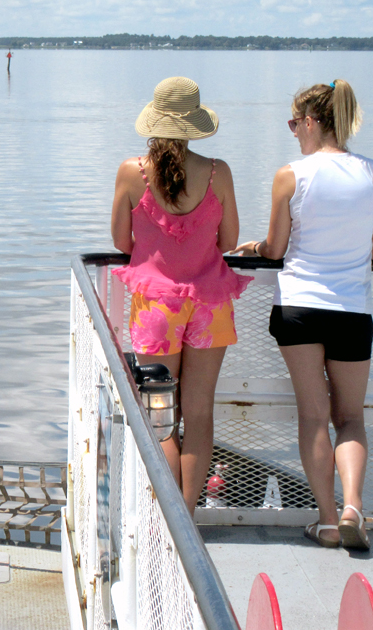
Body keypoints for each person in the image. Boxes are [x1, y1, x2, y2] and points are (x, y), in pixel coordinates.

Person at [236, 79, 373, 550]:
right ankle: (353, 508)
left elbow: (276, 248)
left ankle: (326, 521)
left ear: (309, 121)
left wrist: (255, 248)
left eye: (293, 123)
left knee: (313, 415)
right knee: (351, 418)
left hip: (300, 308)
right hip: (352, 310)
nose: (292, 132)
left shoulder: (291, 175)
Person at [111, 76, 250, 514]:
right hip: (210, 303)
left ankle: (166, 517)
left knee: (160, 417)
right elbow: (230, 240)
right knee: (199, 412)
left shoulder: (132, 172)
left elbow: (119, 241)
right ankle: (188, 513)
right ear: (194, 124)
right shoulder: (218, 172)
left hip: (155, 306)